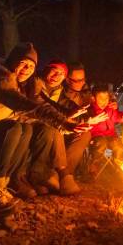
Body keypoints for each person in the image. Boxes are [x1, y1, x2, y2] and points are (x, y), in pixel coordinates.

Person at [0, 43, 82, 215]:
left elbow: (32, 109)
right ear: (12, 61)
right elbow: (21, 104)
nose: (27, 69)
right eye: (23, 63)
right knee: (13, 128)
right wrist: (62, 122)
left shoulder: (20, 84)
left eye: (31, 66)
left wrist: (64, 122)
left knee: (25, 128)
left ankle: (7, 184)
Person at [24, 60, 107, 195]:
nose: (81, 83)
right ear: (68, 80)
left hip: (60, 124)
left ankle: (58, 175)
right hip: (40, 124)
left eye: (83, 80)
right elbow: (47, 107)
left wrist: (86, 119)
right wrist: (68, 119)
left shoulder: (60, 89)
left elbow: (68, 107)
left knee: (85, 133)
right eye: (76, 80)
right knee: (54, 129)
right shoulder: (37, 84)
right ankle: (62, 174)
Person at [87, 84, 123, 173]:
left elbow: (115, 117)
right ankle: (95, 165)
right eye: (101, 98)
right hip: (96, 136)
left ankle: (118, 165)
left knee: (118, 145)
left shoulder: (110, 108)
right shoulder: (91, 110)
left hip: (111, 135)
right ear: (93, 99)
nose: (104, 101)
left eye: (106, 98)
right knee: (101, 143)